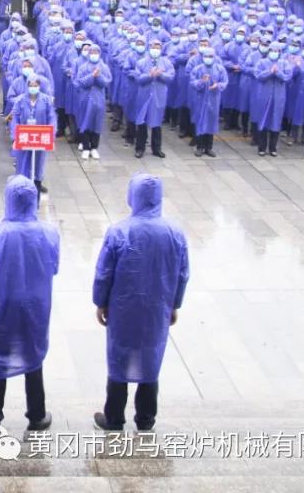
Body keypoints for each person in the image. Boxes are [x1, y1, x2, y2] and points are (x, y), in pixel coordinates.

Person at [93, 174, 189, 432]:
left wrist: (100, 302)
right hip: (157, 308)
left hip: (123, 309)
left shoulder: (119, 231)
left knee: (119, 359)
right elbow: (182, 273)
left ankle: (114, 418)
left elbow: (104, 273)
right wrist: (175, 304)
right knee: (150, 358)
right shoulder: (175, 233)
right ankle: (145, 418)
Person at [0, 176, 60, 431]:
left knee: (0, 355)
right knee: (33, 354)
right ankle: (37, 413)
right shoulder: (50, 233)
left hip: (4, 304)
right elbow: (53, 267)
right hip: (37, 305)